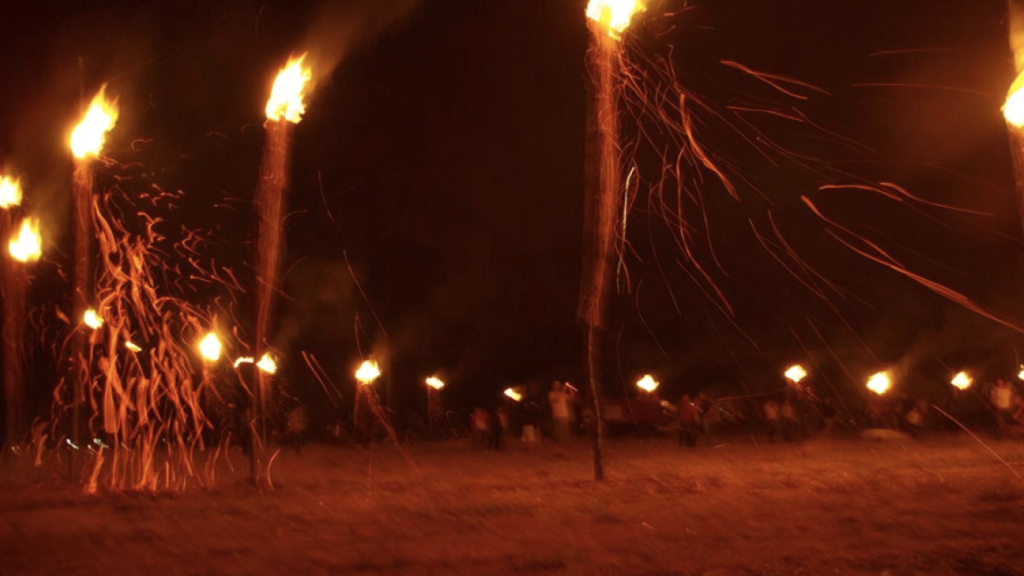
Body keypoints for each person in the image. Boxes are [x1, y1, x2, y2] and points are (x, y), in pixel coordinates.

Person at [548, 381, 574, 453]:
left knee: (563, 435)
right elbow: (556, 399)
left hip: (564, 415)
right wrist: (563, 391)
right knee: (558, 435)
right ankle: (556, 449)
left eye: (558, 384)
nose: (557, 386)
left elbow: (571, 398)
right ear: (553, 386)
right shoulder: (551, 394)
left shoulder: (563, 394)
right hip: (557, 416)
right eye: (556, 384)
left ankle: (561, 449)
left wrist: (570, 389)